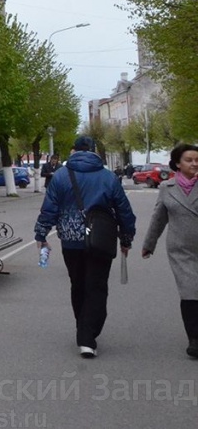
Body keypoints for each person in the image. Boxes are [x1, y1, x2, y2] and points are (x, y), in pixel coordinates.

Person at [35, 135, 136, 358]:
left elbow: (49, 208)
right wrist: (126, 237)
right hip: (101, 238)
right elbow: (123, 210)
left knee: (78, 284)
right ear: (94, 151)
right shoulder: (108, 177)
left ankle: (83, 329)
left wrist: (41, 234)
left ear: (75, 150)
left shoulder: (61, 176)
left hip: (71, 241)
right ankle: (88, 335)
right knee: (97, 286)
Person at [140, 143, 198, 359]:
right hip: (181, 250)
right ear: (177, 164)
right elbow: (158, 218)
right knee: (190, 291)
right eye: (189, 160)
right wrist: (149, 244)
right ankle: (195, 339)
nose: (194, 164)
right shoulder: (167, 188)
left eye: (197, 160)